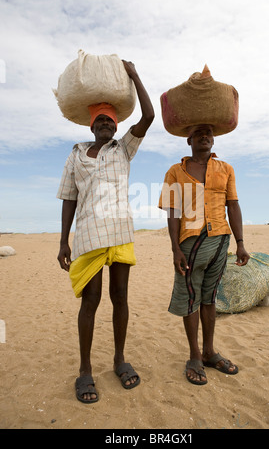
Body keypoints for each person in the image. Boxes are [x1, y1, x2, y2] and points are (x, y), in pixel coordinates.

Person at [57, 60, 154, 403]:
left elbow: (148, 118)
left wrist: (135, 75)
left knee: (120, 297)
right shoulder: (77, 154)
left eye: (110, 122)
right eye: (100, 120)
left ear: (115, 127)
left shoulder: (123, 150)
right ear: (91, 124)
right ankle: (85, 370)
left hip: (120, 232)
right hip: (88, 234)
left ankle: (119, 359)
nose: (105, 126)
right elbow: (69, 198)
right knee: (91, 300)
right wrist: (62, 241)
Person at [158, 124, 249, 385]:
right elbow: (173, 211)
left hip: (220, 240)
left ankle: (209, 351)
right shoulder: (175, 172)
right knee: (190, 298)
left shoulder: (226, 169)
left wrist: (240, 243)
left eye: (208, 133)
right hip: (189, 243)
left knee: (209, 298)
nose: (205, 137)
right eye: (199, 134)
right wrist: (175, 248)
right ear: (189, 140)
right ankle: (195, 355)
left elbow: (233, 205)